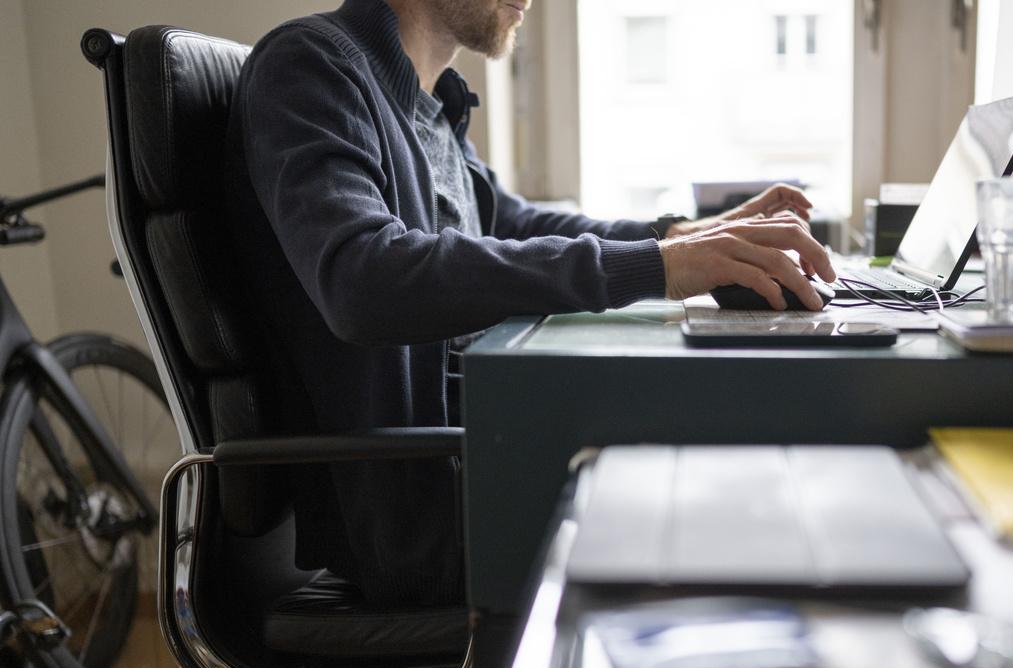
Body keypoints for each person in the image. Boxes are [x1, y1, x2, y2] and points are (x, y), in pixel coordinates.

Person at [224, 0, 837, 606]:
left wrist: (677, 238)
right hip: (421, 509)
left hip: (477, 448)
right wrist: (658, 267)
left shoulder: (429, 103)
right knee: (748, 482)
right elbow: (362, 279)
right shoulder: (311, 66)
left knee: (749, 446)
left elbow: (509, 223)